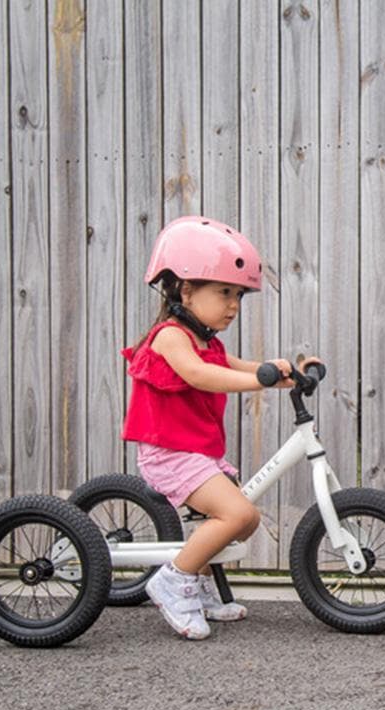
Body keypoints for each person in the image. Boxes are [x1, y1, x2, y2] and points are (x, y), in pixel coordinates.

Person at [121, 216, 321, 640]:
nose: (233, 305)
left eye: (239, 297)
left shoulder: (209, 341)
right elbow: (201, 376)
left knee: (244, 520)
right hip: (170, 454)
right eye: (224, 293)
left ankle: (200, 582)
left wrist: (282, 371)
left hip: (195, 451)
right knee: (238, 513)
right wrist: (258, 380)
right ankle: (174, 581)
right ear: (186, 290)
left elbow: (234, 367)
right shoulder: (170, 337)